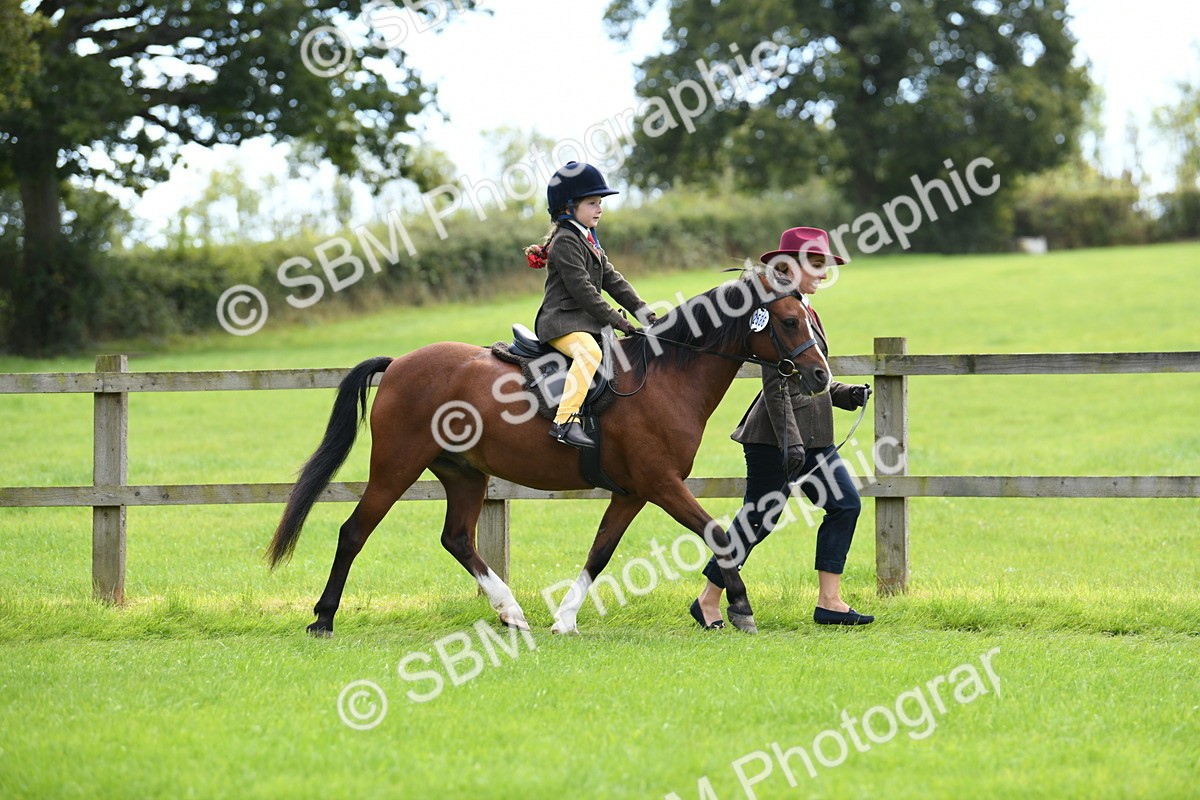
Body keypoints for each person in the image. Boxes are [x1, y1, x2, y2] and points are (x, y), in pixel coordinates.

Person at [689, 227, 875, 629]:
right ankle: (708, 600)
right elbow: (776, 386)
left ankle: (830, 602)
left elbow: (807, 375)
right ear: (790, 266)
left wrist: (843, 394)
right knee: (759, 520)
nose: (824, 273)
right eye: (816, 264)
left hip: (813, 437)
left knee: (844, 505)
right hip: (775, 438)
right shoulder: (775, 312)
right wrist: (791, 443)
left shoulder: (805, 310)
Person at [526, 162, 655, 449]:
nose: (600, 209)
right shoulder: (565, 242)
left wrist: (647, 315)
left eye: (600, 203)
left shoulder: (588, 239)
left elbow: (614, 280)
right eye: (592, 203)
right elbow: (584, 292)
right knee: (589, 353)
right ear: (568, 207)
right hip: (561, 322)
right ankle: (564, 421)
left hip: (584, 322)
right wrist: (620, 322)